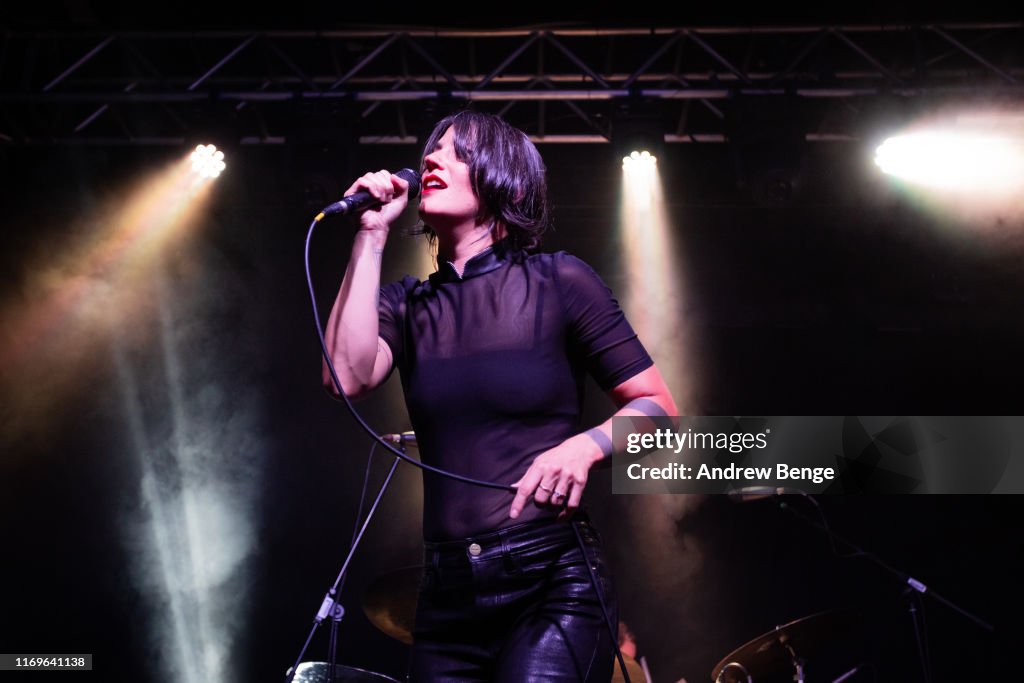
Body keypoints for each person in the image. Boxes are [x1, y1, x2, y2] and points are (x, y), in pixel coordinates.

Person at [322, 110, 677, 681]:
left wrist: (585, 446)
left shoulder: (560, 281)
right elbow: (346, 376)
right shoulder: (407, 304)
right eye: (431, 151)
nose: (432, 159)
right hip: (446, 592)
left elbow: (658, 407)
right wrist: (370, 234)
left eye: (456, 152)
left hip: (549, 579)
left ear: (505, 181)